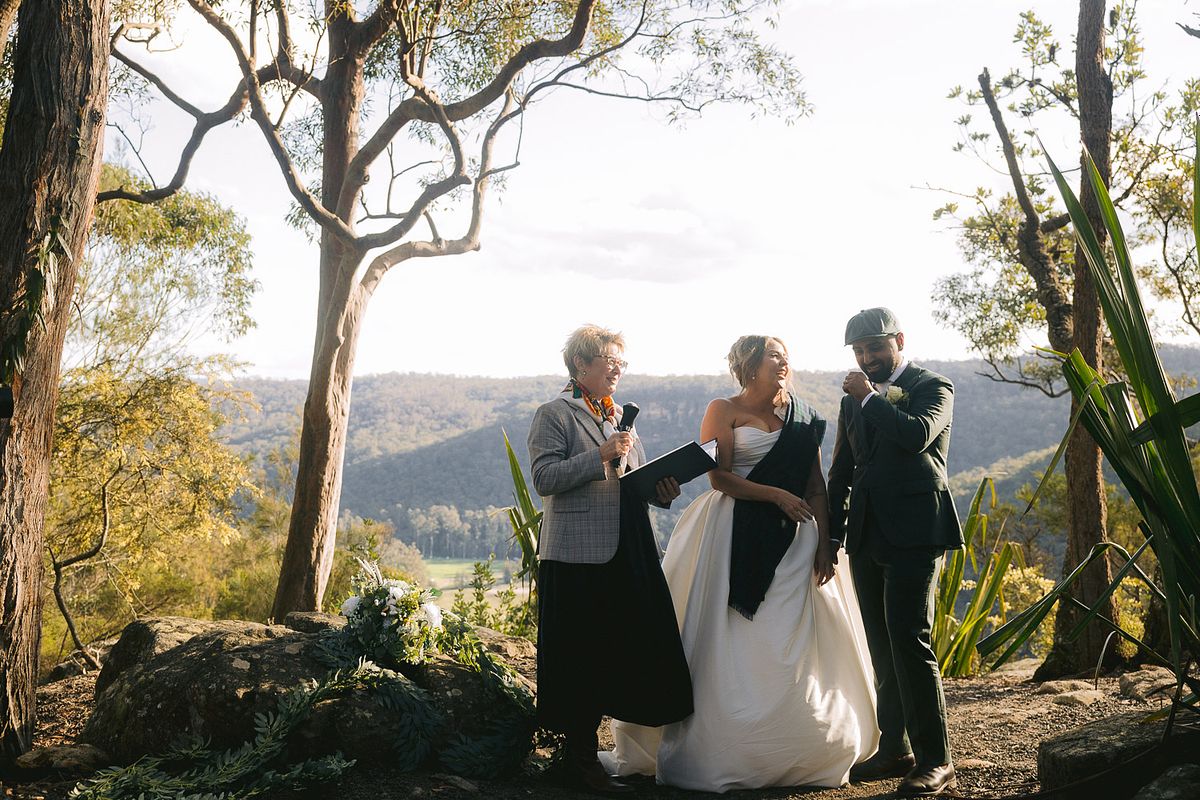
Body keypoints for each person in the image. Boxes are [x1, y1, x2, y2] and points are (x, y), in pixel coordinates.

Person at [604, 335, 878, 792]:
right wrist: (773, 495)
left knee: (796, 640)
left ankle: (804, 746)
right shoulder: (723, 409)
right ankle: (727, 747)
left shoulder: (804, 416)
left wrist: (826, 543)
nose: (783, 361)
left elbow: (815, 485)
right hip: (733, 531)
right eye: (773, 355)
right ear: (749, 365)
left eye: (785, 354)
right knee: (730, 637)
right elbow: (718, 476)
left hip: (796, 540)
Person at [528, 324, 693, 795]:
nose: (618, 368)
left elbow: (632, 480)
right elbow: (543, 478)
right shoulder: (553, 413)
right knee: (580, 653)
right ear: (581, 365)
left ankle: (626, 745)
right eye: (610, 360)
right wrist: (599, 455)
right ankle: (577, 760)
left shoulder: (621, 415)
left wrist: (662, 490)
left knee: (627, 645)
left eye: (622, 361)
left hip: (629, 546)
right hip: (578, 554)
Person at [827, 307, 963, 797]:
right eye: (860, 352)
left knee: (910, 640)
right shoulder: (852, 402)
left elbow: (916, 437)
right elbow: (843, 469)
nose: (867, 358)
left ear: (898, 341)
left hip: (916, 533)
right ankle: (895, 749)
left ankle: (936, 759)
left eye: (875, 348)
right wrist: (832, 538)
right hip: (865, 537)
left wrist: (867, 399)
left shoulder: (934, 386)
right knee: (882, 647)